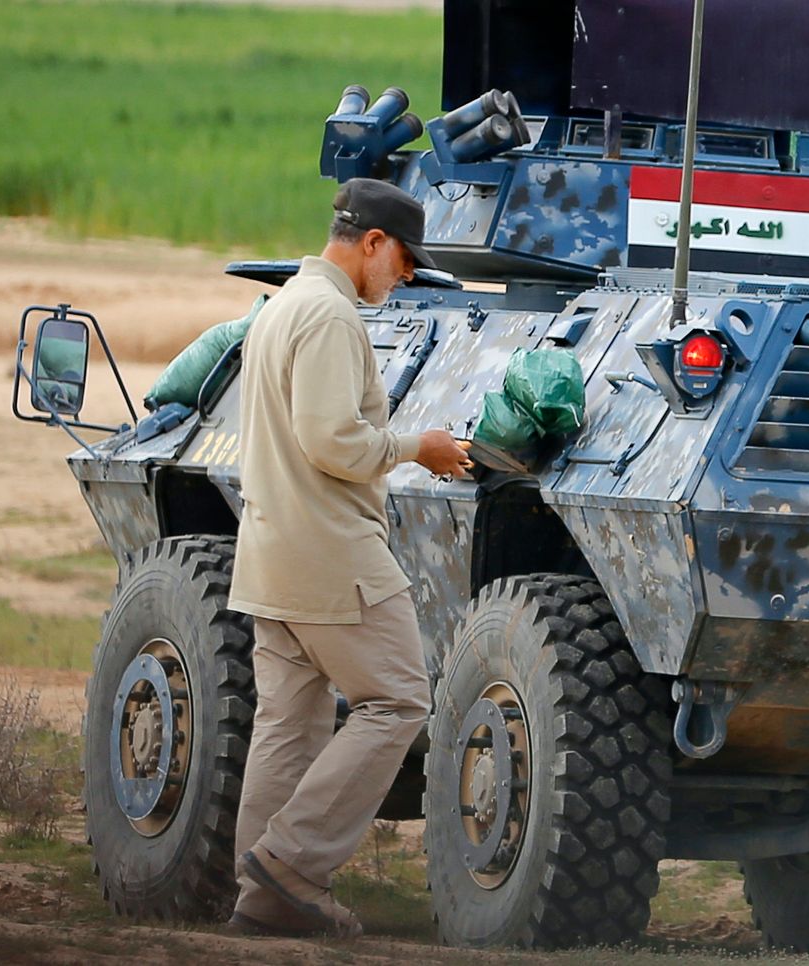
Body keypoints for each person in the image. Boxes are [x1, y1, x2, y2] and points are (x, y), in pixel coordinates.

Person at [225, 178, 471, 937]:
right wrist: (418, 448)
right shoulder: (330, 317)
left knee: (290, 723)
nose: (402, 277)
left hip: (272, 551)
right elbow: (332, 441)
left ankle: (262, 896)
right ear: (370, 243)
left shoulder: (281, 309)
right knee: (399, 698)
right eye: (400, 260)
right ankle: (291, 867)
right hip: (331, 552)